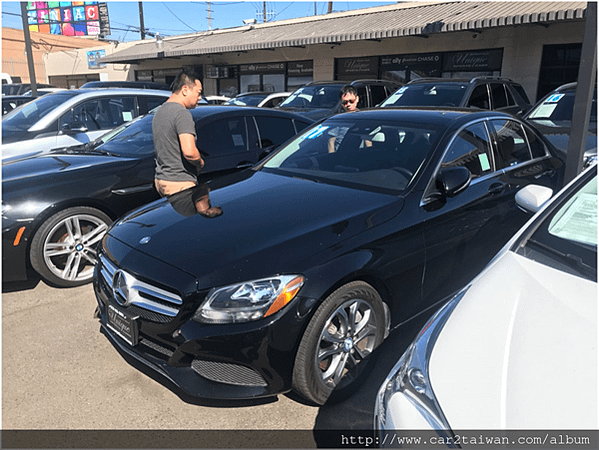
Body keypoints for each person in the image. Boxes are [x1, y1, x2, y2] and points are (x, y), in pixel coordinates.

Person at [153, 69, 205, 197]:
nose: (200, 98)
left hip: (161, 179)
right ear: (185, 90)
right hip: (180, 182)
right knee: (188, 216)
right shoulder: (182, 114)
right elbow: (190, 153)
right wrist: (200, 163)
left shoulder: (160, 111)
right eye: (198, 93)